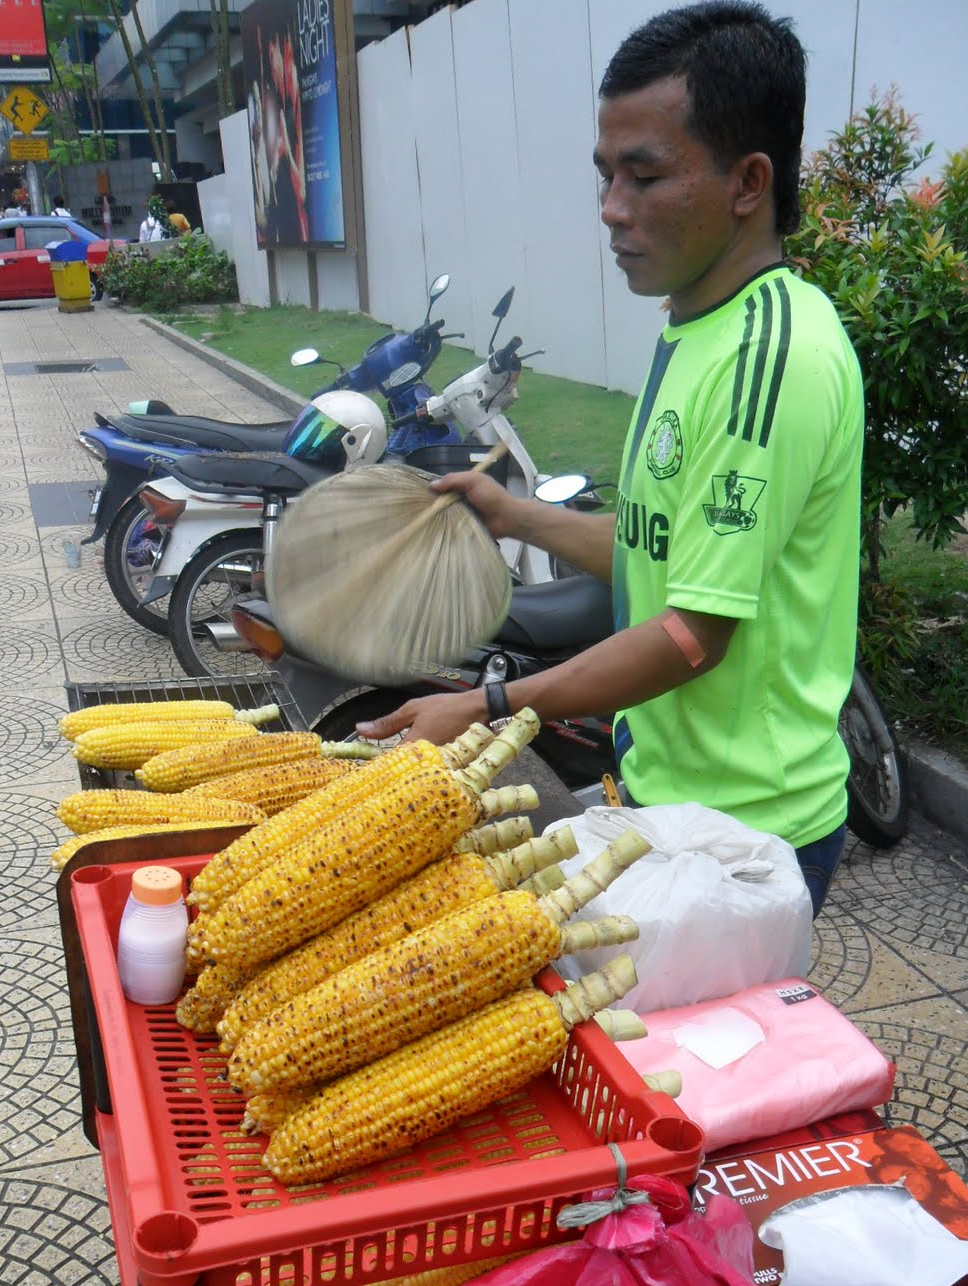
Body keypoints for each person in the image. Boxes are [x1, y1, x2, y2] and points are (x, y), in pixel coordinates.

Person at [359, 1, 863, 916]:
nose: (611, 211)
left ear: (748, 181)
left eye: (643, 176)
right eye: (604, 176)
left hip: (744, 831)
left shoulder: (771, 358)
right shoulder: (696, 329)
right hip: (662, 791)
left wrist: (485, 707)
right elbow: (658, 550)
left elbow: (688, 637)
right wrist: (512, 513)